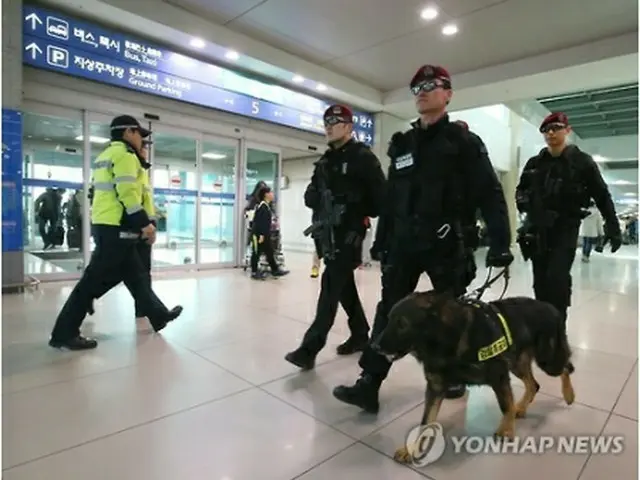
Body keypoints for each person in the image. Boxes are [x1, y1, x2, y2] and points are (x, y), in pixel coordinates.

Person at [332, 65, 513, 414]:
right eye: (416, 86)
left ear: (448, 94)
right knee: (389, 312)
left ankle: (455, 376)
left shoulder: (463, 142)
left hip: (447, 244)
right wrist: (382, 242)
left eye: (431, 85)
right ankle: (369, 383)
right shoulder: (403, 144)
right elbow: (390, 200)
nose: (422, 91)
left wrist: (501, 243)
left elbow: (490, 194)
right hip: (404, 244)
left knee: (451, 316)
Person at [48, 115, 183, 350]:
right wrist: (145, 224)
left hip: (106, 224)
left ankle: (158, 315)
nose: (141, 140)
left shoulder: (106, 155)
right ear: (128, 132)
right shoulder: (124, 156)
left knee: (136, 276)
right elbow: (128, 193)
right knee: (91, 283)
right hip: (116, 228)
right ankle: (64, 333)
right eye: (139, 134)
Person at [285, 104, 387, 368]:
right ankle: (360, 333)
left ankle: (310, 348)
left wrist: (353, 203)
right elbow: (309, 197)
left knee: (330, 287)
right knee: (343, 287)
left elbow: (381, 202)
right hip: (327, 234)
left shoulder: (363, 158)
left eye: (335, 121)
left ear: (349, 127)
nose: (329, 126)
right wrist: (320, 197)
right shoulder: (325, 162)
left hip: (350, 235)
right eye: (326, 121)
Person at [515, 112, 621, 326]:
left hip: (565, 229)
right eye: (546, 130)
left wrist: (613, 226)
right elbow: (521, 190)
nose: (551, 133)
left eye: (556, 128)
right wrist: (527, 206)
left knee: (557, 279)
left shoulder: (582, 162)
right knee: (541, 282)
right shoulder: (535, 163)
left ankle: (557, 328)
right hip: (537, 229)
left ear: (567, 130)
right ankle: (543, 328)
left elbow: (601, 195)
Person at [250, 185, 289, 279]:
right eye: (271, 193)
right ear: (266, 195)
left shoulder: (266, 206)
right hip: (259, 235)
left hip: (265, 234)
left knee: (269, 252)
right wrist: (262, 235)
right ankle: (254, 272)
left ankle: (275, 270)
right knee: (256, 252)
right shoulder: (262, 207)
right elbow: (259, 223)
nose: (272, 194)